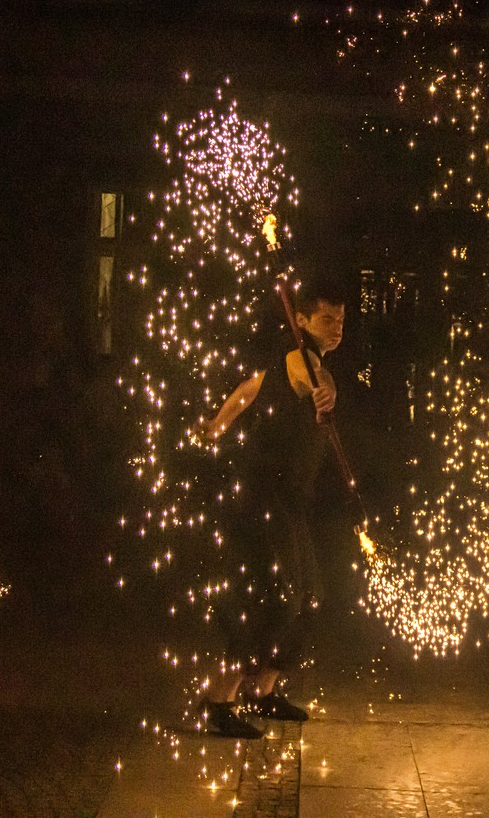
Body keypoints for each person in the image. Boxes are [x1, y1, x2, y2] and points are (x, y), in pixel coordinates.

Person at [197, 279, 346, 738]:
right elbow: (308, 384)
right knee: (274, 599)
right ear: (300, 320)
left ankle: (262, 691)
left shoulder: (305, 364)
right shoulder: (301, 364)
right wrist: (218, 426)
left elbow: (249, 388)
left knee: (308, 597)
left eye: (341, 320)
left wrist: (222, 421)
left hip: (293, 502)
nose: (337, 328)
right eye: (326, 319)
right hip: (269, 498)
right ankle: (218, 700)